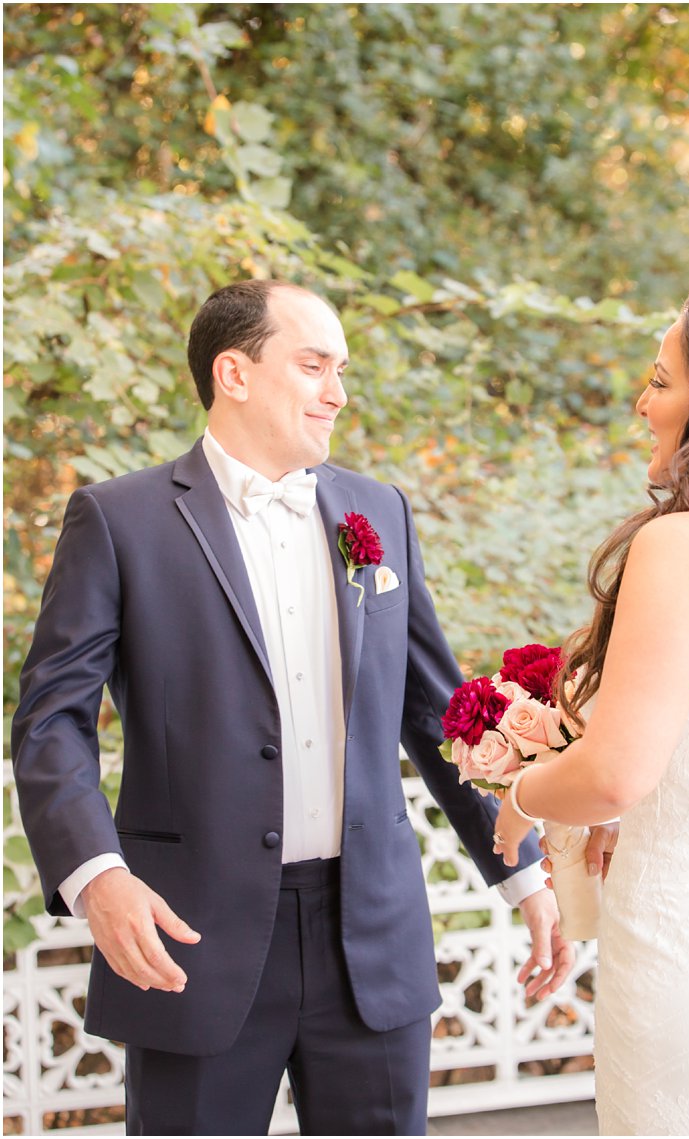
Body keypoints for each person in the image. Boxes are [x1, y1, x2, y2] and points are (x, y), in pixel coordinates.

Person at [10, 280, 573, 1135]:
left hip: (371, 938)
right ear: (233, 373)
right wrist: (98, 876)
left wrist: (524, 871)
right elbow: (51, 718)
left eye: (340, 370)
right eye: (314, 366)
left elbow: (434, 713)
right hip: (189, 940)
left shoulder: (377, 512)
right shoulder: (119, 520)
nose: (338, 393)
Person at [492, 281, 689, 1135]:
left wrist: (520, 796)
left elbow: (614, 775)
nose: (643, 401)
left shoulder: (683, 547)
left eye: (659, 378)